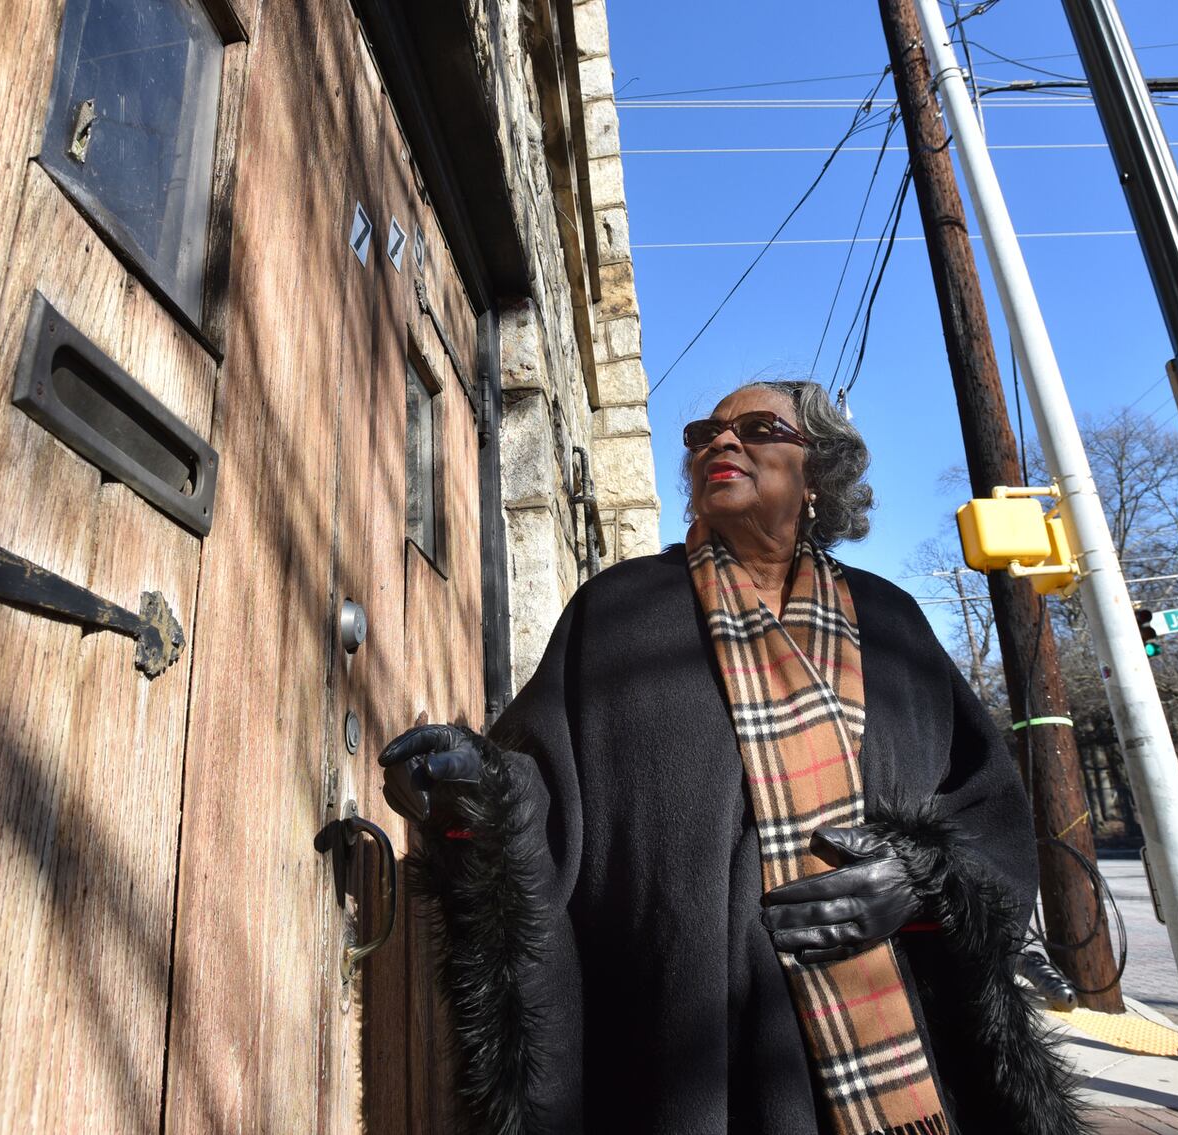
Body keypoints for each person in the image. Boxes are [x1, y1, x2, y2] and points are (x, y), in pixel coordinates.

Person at [379, 380, 1086, 1135]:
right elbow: (540, 789)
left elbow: (983, 809)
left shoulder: (894, 625)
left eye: (756, 427)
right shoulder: (615, 610)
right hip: (677, 1049)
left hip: (893, 1045)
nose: (720, 443)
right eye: (703, 434)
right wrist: (476, 788)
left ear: (817, 473)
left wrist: (918, 878)